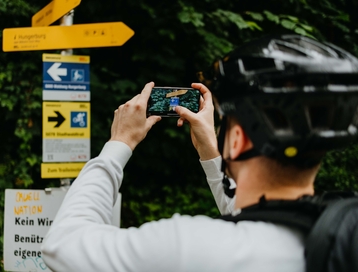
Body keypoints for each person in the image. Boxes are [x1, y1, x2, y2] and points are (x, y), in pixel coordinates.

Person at [41, 34, 358, 272]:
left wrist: (119, 143)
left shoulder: (191, 248)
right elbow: (244, 211)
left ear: (239, 140)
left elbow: (62, 244)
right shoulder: (343, 231)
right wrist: (211, 149)